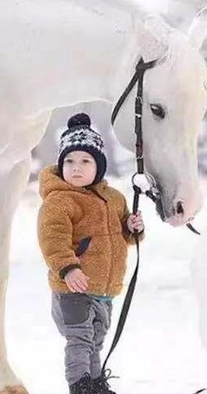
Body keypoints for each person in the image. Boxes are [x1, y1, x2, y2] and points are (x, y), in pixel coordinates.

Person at [37, 113, 144, 394]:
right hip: (73, 287)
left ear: (99, 166)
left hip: (103, 289)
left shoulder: (114, 199)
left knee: (96, 339)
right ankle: (80, 384)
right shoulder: (59, 201)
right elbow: (52, 239)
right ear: (61, 165)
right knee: (80, 338)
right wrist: (68, 268)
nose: (76, 168)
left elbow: (121, 237)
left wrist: (131, 228)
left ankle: (95, 383)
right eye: (69, 161)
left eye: (85, 161)